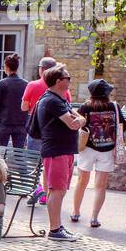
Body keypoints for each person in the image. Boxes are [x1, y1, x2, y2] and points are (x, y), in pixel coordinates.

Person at [31, 64, 85, 241]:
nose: (70, 80)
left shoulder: (59, 99)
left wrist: (79, 120)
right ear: (58, 81)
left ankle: (57, 227)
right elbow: (74, 123)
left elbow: (80, 119)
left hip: (63, 150)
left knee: (59, 190)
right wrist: (78, 120)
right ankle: (54, 230)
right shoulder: (52, 101)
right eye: (67, 77)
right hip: (56, 151)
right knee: (56, 190)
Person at [71, 78, 126, 228]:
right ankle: (94, 217)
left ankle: (76, 212)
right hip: (107, 149)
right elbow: (121, 125)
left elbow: (77, 123)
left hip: (88, 148)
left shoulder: (85, 107)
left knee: (81, 182)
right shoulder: (114, 106)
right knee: (100, 186)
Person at [21, 56, 69, 151]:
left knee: (33, 160)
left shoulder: (32, 85)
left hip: (36, 126)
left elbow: (24, 107)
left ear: (42, 69)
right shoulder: (62, 86)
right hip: (56, 127)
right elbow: (67, 106)